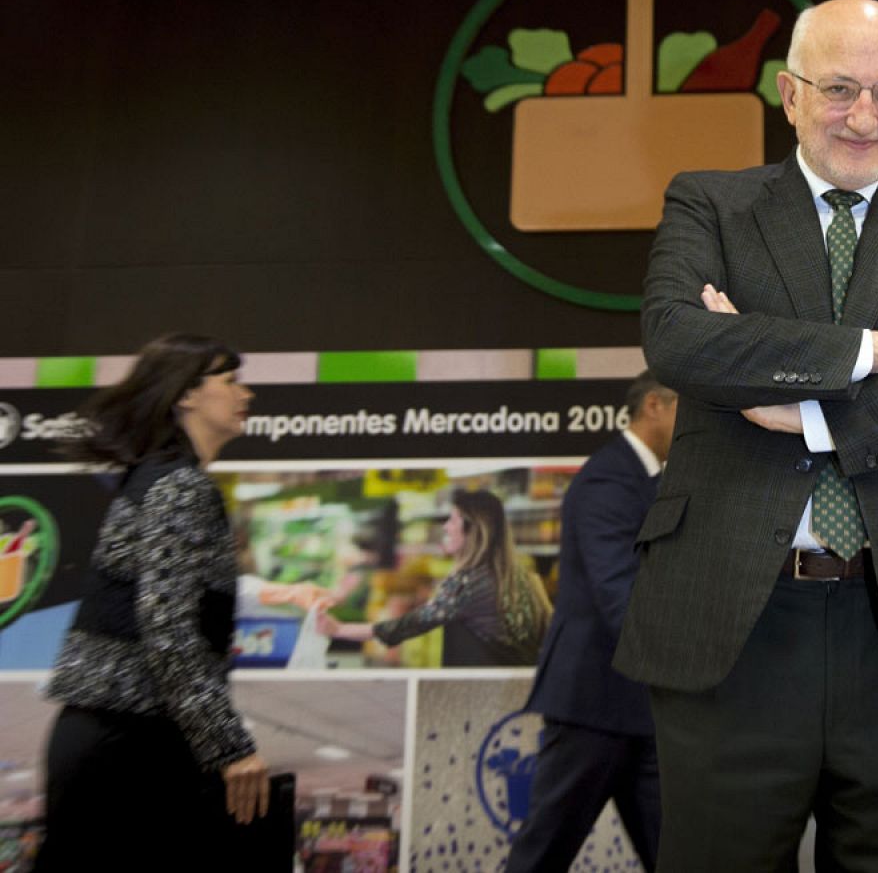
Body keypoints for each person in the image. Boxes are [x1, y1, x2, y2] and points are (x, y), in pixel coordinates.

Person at [613, 0, 878, 872]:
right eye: (840, 88)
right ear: (788, 94)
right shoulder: (711, 207)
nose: (865, 117)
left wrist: (809, 409)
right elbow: (684, 343)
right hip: (733, 627)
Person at [36, 333, 272, 870]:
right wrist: (230, 745)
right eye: (230, 380)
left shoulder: (156, 479)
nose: (246, 393)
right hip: (127, 747)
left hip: (113, 739)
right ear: (186, 394)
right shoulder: (181, 487)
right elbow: (167, 629)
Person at [506, 371, 677, 872]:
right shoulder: (608, 477)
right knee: (542, 854)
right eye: (687, 407)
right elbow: (617, 590)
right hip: (593, 707)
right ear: (654, 406)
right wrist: (682, 665)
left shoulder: (650, 479)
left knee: (676, 854)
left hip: (641, 709)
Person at [317, 489, 551, 667]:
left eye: (453, 521)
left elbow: (410, 624)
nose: (446, 527)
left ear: (472, 530)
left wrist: (340, 630)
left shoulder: (470, 585)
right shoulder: (525, 578)